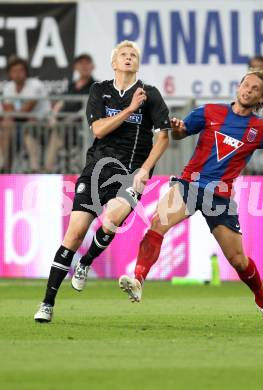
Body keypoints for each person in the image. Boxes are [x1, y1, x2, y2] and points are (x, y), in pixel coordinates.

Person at [118, 69, 263, 325]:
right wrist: (178, 128)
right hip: (189, 184)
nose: (248, 90)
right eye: (246, 85)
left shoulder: (260, 129)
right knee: (158, 223)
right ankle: (138, 279)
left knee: (238, 260)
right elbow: (180, 133)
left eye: (255, 89)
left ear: (261, 98)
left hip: (219, 197)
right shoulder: (209, 111)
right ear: (238, 86)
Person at [34, 40, 171, 322]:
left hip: (132, 170)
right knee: (73, 235)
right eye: (124, 54)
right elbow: (98, 129)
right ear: (114, 63)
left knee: (112, 218)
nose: (129, 58)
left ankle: (85, 263)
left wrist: (146, 169)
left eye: (133, 55)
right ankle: (47, 303)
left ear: (138, 63)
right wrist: (130, 108)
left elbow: (164, 136)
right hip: (97, 168)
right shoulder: (100, 91)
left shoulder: (151, 94)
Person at [45, 54, 96, 173]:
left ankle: (48, 168)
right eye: (81, 63)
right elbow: (61, 103)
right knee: (33, 129)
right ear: (75, 67)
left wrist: (70, 119)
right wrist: (53, 117)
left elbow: (88, 108)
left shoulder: (95, 86)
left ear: (92, 66)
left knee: (58, 131)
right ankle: (38, 168)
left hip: (79, 126)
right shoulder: (71, 85)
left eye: (87, 63)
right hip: (62, 124)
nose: (84, 66)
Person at [1, 57, 50, 172]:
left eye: (20, 70)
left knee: (29, 126)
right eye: (14, 71)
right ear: (9, 74)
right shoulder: (8, 87)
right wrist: (14, 113)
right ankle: (4, 167)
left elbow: (27, 109)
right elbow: (9, 110)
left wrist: (14, 113)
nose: (18, 74)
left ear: (26, 72)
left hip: (43, 124)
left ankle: (34, 168)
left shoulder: (35, 85)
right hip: (19, 125)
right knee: (6, 125)